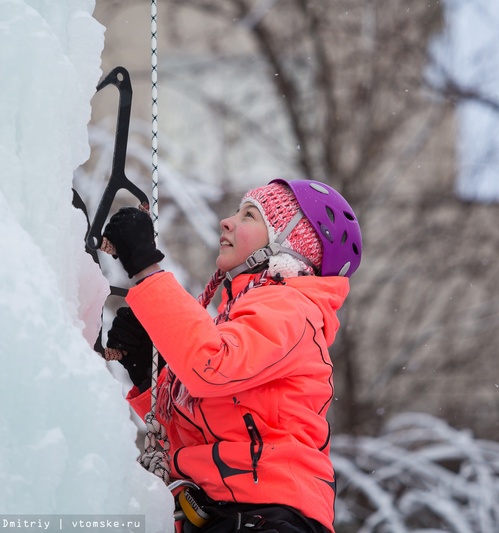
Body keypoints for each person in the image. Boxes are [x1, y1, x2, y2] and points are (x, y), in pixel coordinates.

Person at [101, 179, 362, 533]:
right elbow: (205, 433)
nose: (227, 221)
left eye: (250, 215)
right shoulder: (244, 312)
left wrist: (147, 268)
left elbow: (212, 366)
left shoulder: (291, 306)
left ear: (289, 245)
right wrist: (153, 376)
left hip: (270, 515)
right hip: (229, 510)